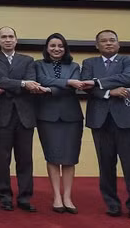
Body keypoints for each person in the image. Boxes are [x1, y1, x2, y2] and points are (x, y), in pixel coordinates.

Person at [82, 30, 130, 221]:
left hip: (128, 121)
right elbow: (86, 88)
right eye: (103, 41)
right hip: (100, 121)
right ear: (97, 45)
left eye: (112, 40)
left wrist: (97, 82)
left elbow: (129, 78)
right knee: (106, 165)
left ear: (118, 44)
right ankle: (112, 204)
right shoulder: (89, 63)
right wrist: (110, 92)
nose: (108, 43)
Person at [0, 27, 42, 212]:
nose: (8, 40)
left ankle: (25, 197)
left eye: (11, 36)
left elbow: (32, 82)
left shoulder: (28, 60)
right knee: (2, 159)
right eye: (4, 37)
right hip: (1, 116)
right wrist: (21, 83)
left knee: (25, 159)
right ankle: (4, 197)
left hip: (25, 116)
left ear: (16, 40)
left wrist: (18, 84)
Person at [35, 33, 86, 214]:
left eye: (60, 46)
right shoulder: (38, 65)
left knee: (70, 158)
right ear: (47, 48)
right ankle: (57, 196)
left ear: (65, 49)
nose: (56, 49)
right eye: (52, 46)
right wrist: (67, 83)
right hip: (47, 117)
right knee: (53, 157)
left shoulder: (74, 66)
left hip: (71, 117)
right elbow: (42, 80)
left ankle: (68, 197)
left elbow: (74, 87)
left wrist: (50, 89)